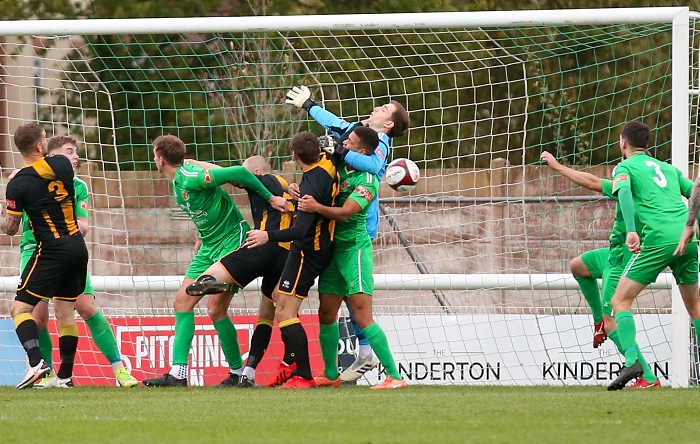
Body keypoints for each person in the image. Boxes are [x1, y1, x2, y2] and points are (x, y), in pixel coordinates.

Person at [142, 135, 289, 387]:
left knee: (211, 308)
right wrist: (201, 234)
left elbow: (239, 174)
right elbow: (207, 204)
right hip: (209, 246)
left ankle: (216, 373)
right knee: (184, 303)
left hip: (231, 243)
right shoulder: (182, 176)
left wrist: (270, 197)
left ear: (160, 158)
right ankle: (206, 373)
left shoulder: (192, 177)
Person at [286, 85, 410, 382]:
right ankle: (331, 374)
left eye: (383, 108)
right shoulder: (346, 157)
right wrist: (309, 106)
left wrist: (315, 204)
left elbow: (347, 208)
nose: (342, 142)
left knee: (360, 310)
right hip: (332, 241)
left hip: (355, 242)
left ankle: (392, 373)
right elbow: (336, 125)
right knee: (326, 312)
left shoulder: (372, 161)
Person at [540, 150, 683, 388]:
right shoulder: (625, 186)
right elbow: (592, 181)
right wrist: (558, 167)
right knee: (578, 266)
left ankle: (647, 376)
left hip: (624, 260)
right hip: (612, 253)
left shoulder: (644, 198)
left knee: (614, 319)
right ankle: (599, 321)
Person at [18, 136, 138, 388]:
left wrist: (74, 228)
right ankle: (44, 375)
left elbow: (84, 223)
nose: (75, 157)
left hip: (66, 251)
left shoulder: (77, 185)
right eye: (69, 151)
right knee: (37, 317)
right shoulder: (26, 179)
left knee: (86, 307)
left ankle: (117, 370)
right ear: (51, 156)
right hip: (34, 250)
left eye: (76, 152)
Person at [605, 121, 700, 390]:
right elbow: (696, 192)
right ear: (647, 145)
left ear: (623, 143)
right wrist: (694, 227)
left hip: (658, 240)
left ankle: (633, 362)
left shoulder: (624, 167)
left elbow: (623, 193)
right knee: (696, 307)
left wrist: (631, 232)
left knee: (620, 300)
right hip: (686, 237)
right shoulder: (668, 169)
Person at [185, 155, 294, 387]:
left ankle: (227, 285)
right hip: (286, 256)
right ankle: (249, 372)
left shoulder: (262, 181)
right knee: (267, 314)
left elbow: (227, 172)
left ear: (255, 171)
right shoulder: (286, 184)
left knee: (199, 285)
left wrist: (192, 162)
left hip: (262, 248)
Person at [244, 131, 338, 389]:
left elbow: (301, 230)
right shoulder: (328, 163)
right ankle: (289, 364)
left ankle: (303, 375)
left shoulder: (311, 186)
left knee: (285, 309)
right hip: (315, 246)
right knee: (277, 296)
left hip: (309, 251)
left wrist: (268, 235)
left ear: (294, 155)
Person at [0, 123, 88, 389]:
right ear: (40, 146)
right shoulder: (61, 164)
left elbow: (11, 229)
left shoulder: (18, 184)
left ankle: (36, 361)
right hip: (77, 247)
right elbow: (46, 170)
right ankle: (65, 378)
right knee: (65, 312)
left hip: (51, 249)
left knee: (19, 308)